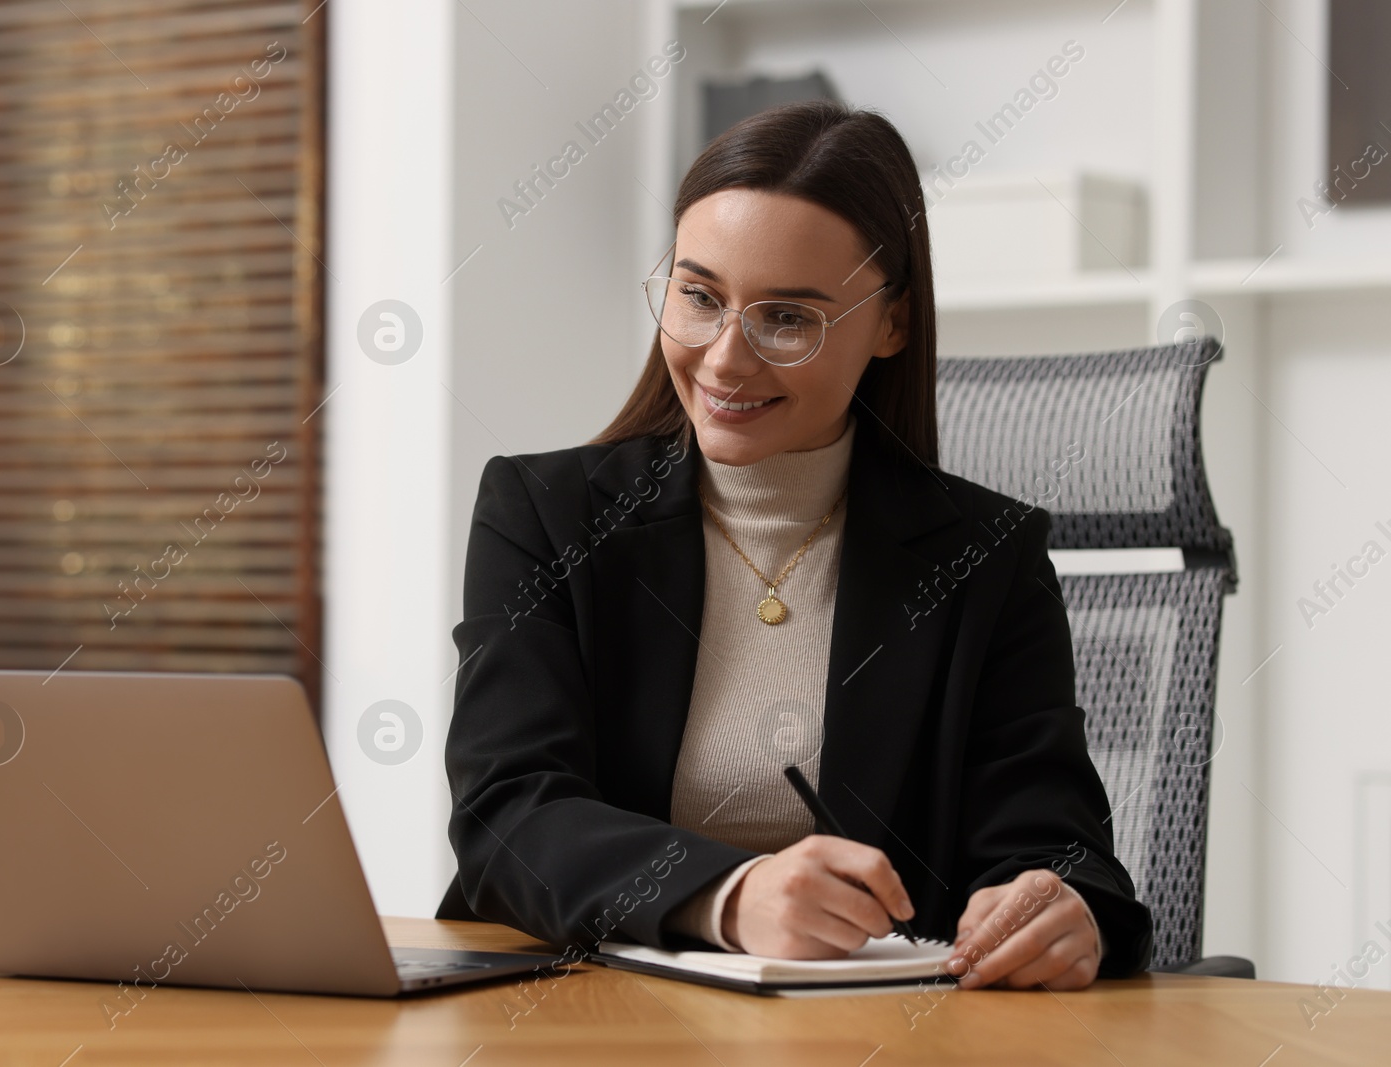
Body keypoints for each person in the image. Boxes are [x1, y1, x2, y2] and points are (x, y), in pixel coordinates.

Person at [437, 100, 1152, 989]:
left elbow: (1054, 843)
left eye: (787, 319)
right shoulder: (543, 513)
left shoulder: (986, 556)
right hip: (581, 1023)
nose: (725, 360)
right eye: (699, 296)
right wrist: (728, 896)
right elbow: (509, 814)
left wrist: (1062, 907)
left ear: (891, 324)